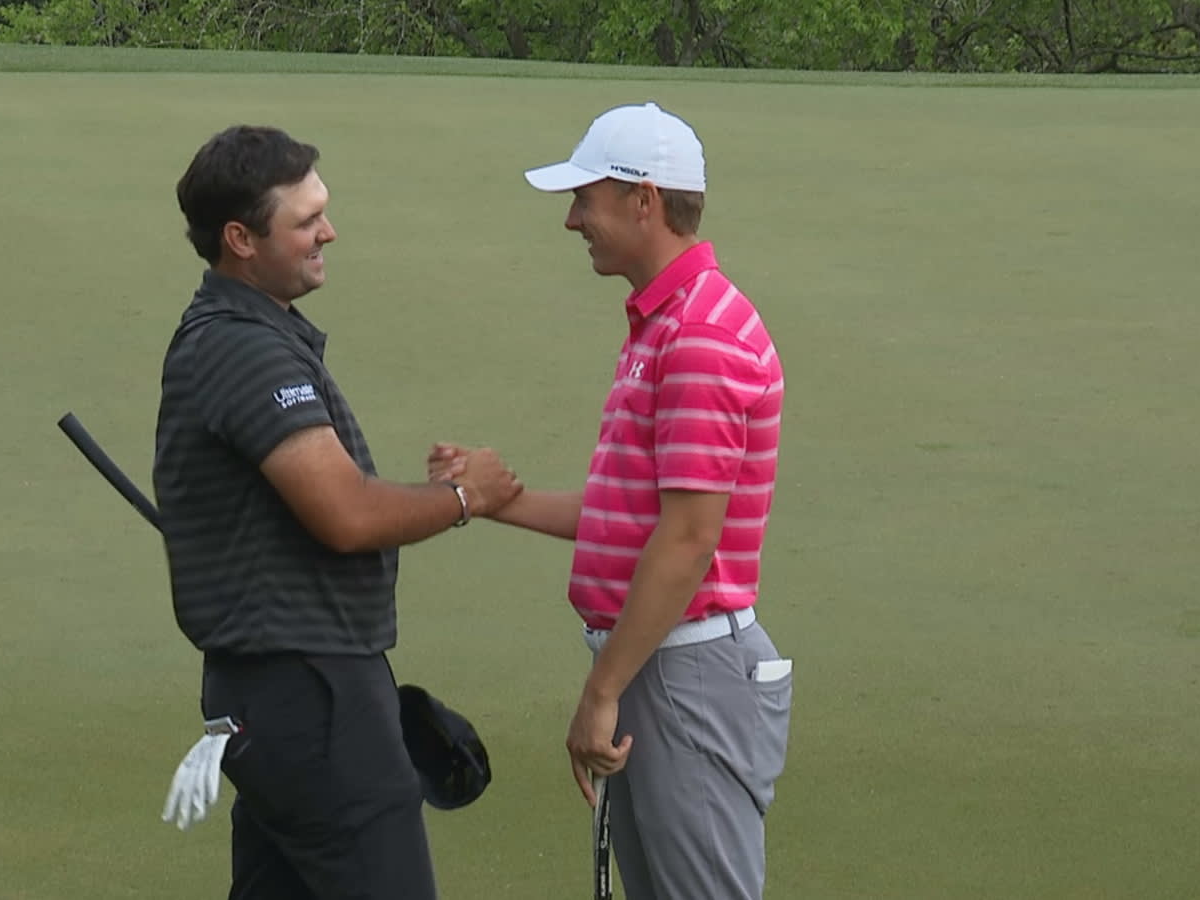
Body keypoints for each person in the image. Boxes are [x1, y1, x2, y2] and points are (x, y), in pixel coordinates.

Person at [431, 102, 794, 899]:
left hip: (685, 671)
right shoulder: (663, 324)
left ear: (645, 201)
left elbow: (690, 540)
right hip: (662, 662)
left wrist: (602, 694)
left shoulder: (698, 333)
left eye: (585, 199)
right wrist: (492, 500)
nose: (571, 221)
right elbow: (629, 521)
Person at [154, 124, 522, 900]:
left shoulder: (254, 334)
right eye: (304, 220)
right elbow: (345, 513)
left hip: (285, 690)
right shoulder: (243, 349)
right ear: (239, 240)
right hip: (308, 695)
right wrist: (465, 498)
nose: (329, 230)